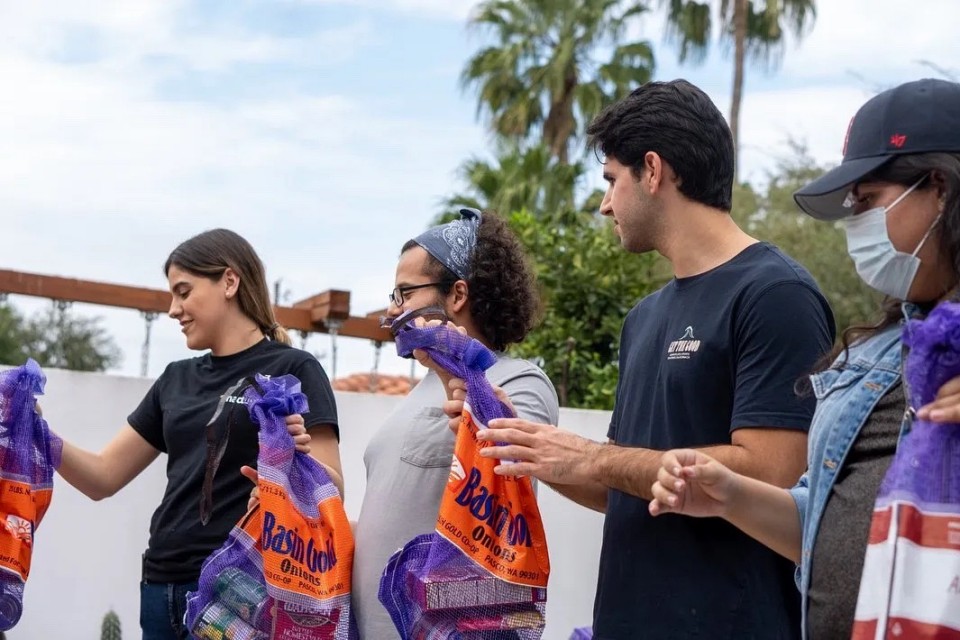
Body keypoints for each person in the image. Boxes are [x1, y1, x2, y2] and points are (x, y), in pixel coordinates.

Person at [471, 80, 835, 639]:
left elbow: (774, 475)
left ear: (653, 169)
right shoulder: (643, 317)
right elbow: (623, 483)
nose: (604, 203)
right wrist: (515, 441)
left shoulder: (775, 294)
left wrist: (598, 459)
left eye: (612, 181)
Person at [648, 78, 960, 639]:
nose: (854, 225)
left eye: (867, 201)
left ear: (939, 187)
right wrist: (728, 495)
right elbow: (818, 521)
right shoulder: (874, 352)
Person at [52, 229, 342, 640]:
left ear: (229, 281)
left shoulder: (293, 369)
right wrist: (38, 435)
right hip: (161, 586)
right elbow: (103, 476)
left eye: (183, 291)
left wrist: (295, 467)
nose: (174, 309)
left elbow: (334, 488)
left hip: (242, 588)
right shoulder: (175, 379)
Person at [350, 208, 560, 639]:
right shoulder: (414, 393)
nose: (392, 309)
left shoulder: (518, 379)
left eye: (404, 292)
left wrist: (463, 383)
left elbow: (509, 474)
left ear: (458, 295)